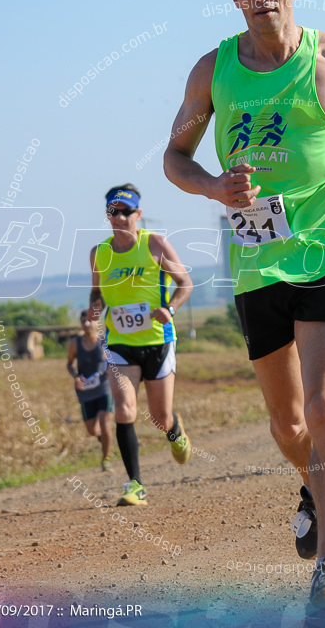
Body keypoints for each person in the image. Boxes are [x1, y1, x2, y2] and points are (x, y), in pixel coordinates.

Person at [163, 0, 325, 614]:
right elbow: (174, 156)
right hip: (257, 262)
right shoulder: (214, 71)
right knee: (290, 429)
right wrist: (213, 187)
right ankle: (316, 484)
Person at [89, 184, 194, 506]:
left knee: (161, 417)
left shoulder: (155, 244)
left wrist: (171, 309)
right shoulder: (99, 253)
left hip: (157, 341)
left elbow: (185, 283)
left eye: (126, 211)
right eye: (113, 211)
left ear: (138, 214)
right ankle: (135, 484)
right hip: (119, 343)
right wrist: (92, 317)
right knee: (124, 410)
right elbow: (97, 294)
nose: (119, 217)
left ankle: (176, 432)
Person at [66, 308, 114, 471]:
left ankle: (106, 459)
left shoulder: (104, 341)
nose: (86, 324)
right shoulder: (75, 343)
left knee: (104, 421)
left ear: (96, 322)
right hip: (85, 390)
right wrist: (76, 376)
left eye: (89, 320)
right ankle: (103, 440)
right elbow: (69, 364)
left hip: (104, 387)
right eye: (83, 321)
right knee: (92, 430)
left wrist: (111, 369)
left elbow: (114, 360)